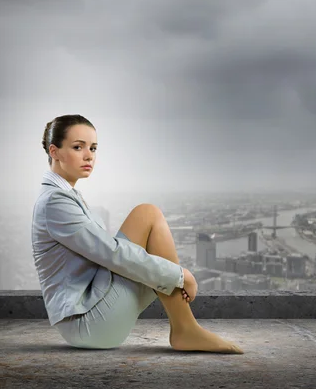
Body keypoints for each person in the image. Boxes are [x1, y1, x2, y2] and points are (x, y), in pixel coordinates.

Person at [32, 113, 244, 353]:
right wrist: (180, 275)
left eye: (93, 147)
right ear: (54, 151)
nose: (89, 155)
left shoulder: (64, 196)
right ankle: (185, 328)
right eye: (78, 147)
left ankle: (186, 328)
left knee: (147, 219)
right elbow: (111, 253)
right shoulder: (55, 202)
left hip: (90, 315)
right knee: (147, 215)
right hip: (87, 324)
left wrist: (174, 275)